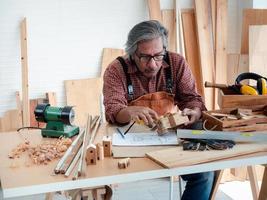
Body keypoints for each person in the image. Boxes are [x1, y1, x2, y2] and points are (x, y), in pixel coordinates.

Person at [103, 20, 214, 200]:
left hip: (169, 140)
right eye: (145, 57)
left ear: (164, 48)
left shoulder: (176, 62)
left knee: (205, 174)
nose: (153, 64)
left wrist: (194, 111)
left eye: (158, 55)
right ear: (132, 53)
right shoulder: (117, 69)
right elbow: (112, 108)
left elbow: (192, 99)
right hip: (131, 145)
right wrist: (127, 112)